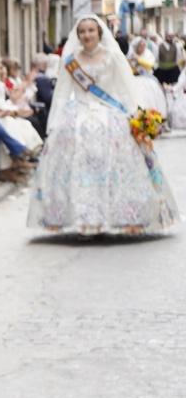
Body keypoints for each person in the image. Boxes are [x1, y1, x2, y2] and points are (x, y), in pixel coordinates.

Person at [28, 14, 179, 234]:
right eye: (82, 31)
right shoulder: (70, 61)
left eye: (91, 30)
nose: (87, 35)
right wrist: (55, 122)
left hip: (111, 114)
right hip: (77, 114)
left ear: (99, 33)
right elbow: (62, 94)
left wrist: (135, 116)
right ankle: (85, 218)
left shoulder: (113, 58)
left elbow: (125, 88)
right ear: (77, 35)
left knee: (123, 163)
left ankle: (128, 216)